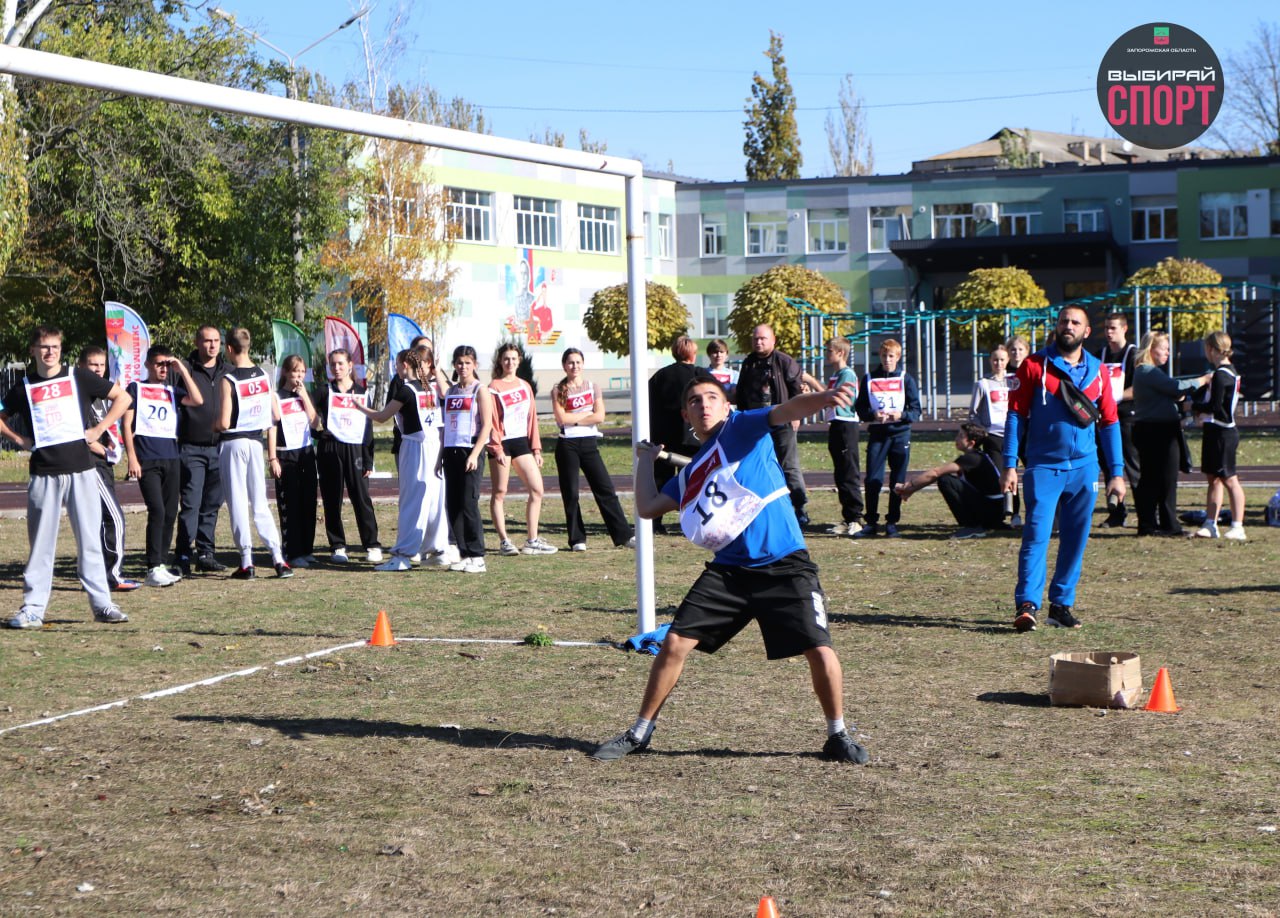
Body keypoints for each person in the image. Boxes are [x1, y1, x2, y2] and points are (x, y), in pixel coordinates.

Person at [590, 376, 868, 765]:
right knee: (673, 644)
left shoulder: (744, 427)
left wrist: (825, 397)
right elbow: (648, 508)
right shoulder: (691, 474)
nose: (703, 405)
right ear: (686, 414)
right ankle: (639, 734)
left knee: (820, 650)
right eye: (694, 401)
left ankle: (837, 735)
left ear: (725, 406)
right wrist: (644, 462)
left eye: (711, 397)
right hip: (730, 573)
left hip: (786, 565)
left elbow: (787, 410)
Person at [1000, 306, 1124, 632]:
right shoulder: (1033, 366)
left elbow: (1110, 423)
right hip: (1043, 467)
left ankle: (1061, 605)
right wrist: (1010, 464)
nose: (1067, 326)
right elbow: (1016, 415)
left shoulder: (1099, 372)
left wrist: (1117, 473)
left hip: (1084, 469)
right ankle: (1027, 605)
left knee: (1075, 540)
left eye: (1075, 323)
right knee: (1036, 536)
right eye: (1063, 321)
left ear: (1086, 332)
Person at [1, 325, 132, 628]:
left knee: (89, 541)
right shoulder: (22, 387)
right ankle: (33, 609)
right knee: (42, 545)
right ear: (33, 350)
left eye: (55, 347)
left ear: (61, 349)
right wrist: (20, 441)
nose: (50, 352)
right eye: (44, 347)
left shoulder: (79, 376)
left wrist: (99, 430)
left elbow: (122, 398)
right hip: (44, 474)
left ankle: (103, 605)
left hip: (82, 471)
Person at [356, 346, 447, 571]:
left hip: (416, 447)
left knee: (412, 500)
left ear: (405, 366)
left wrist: (359, 408)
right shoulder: (432, 387)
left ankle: (404, 554)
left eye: (397, 364)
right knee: (434, 499)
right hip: (435, 445)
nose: (395, 369)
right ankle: (438, 549)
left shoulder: (407, 391)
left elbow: (382, 416)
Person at [121, 345, 204, 587]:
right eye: (159, 364)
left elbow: (197, 399)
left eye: (167, 365)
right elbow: (127, 425)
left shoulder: (172, 390)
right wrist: (132, 458)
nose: (163, 369)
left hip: (171, 457)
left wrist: (183, 370)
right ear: (147, 364)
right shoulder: (136, 388)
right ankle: (151, 567)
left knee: (169, 512)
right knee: (156, 510)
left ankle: (160, 564)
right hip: (147, 459)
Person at [213, 328, 291, 579]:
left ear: (229, 349)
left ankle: (247, 562)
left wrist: (210, 425)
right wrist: (272, 456)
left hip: (234, 442)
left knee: (237, 502)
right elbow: (275, 416)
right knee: (260, 503)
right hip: (256, 444)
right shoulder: (264, 376)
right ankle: (278, 559)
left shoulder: (228, 379)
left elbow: (224, 422)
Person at [552, 347, 634, 551]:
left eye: (578, 362)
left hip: (589, 443)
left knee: (605, 489)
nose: (574, 366)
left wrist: (576, 420)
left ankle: (623, 535)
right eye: (570, 362)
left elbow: (600, 416)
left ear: (583, 364)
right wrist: (585, 415)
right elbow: (561, 419)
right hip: (567, 445)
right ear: (564, 366)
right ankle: (577, 539)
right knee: (571, 493)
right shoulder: (558, 389)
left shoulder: (593, 386)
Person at [1131, 332, 1211, 537]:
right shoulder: (1148, 371)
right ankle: (1167, 524)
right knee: (1164, 479)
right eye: (1164, 348)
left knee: (1152, 479)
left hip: (1151, 429)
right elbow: (1176, 386)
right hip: (1157, 431)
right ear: (1151, 349)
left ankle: (1150, 523)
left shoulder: (1147, 372)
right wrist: (1203, 380)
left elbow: (1171, 391)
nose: (1168, 352)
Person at [77, 346, 138, 592]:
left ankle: (93, 575)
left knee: (97, 522)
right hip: (90, 465)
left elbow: (110, 422)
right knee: (114, 518)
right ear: (82, 367)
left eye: (101, 365)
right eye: (93, 365)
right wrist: (102, 448)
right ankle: (113, 576)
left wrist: (111, 444)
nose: (98, 369)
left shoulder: (103, 395)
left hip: (105, 466)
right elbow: (80, 434)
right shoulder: (79, 394)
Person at [734, 324, 808, 525]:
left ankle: (799, 507)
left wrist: (796, 415)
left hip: (782, 421)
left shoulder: (784, 361)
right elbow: (741, 392)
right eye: (755, 338)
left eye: (763, 338)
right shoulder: (748, 363)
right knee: (755, 465)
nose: (758, 342)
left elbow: (797, 390)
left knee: (788, 465)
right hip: (755, 423)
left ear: (773, 340)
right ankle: (758, 507)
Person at [313, 348, 382, 564]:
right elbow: (307, 411)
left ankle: (371, 545)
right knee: (332, 499)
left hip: (355, 450)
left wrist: (368, 458)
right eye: (333, 364)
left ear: (350, 365)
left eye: (341, 364)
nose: (337, 368)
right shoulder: (324, 391)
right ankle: (338, 546)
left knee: (361, 498)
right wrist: (318, 432)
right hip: (330, 450)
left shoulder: (362, 392)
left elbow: (368, 426)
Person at [488, 343, 556, 555]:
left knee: (537, 489)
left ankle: (532, 540)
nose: (510, 362)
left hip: (521, 443)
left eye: (514, 359)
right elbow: (490, 420)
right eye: (506, 359)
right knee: (500, 492)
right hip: (502, 443)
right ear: (500, 361)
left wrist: (536, 448)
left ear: (519, 361)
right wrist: (496, 448)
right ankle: (504, 542)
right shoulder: (494, 387)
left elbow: (532, 419)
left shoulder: (525, 386)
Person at [175, 325, 229, 576]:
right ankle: (183, 555)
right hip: (191, 448)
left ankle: (206, 553)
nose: (212, 345)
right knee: (191, 505)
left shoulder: (228, 371)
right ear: (197, 342)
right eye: (207, 341)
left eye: (216, 340)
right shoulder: (183, 371)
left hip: (220, 447)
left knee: (211, 504)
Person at [854, 339, 921, 538]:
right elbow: (860, 408)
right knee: (873, 479)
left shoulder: (905, 379)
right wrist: (873, 415)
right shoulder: (869, 378)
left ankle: (892, 522)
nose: (887, 360)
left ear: (898, 357)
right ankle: (871, 522)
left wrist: (901, 415)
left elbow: (916, 410)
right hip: (878, 434)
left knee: (897, 480)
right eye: (884, 356)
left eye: (891, 356)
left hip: (900, 434)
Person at [648, 335, 712, 534]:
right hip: (693, 436)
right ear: (693, 353)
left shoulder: (660, 376)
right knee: (696, 479)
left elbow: (649, 403)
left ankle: (654, 521)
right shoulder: (700, 375)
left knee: (661, 480)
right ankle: (697, 520)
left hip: (664, 436)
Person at [896, 423, 1005, 539]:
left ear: (971, 443)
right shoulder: (977, 456)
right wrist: (911, 490)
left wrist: (908, 485)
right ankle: (979, 525)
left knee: (946, 480)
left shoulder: (971, 458)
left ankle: (972, 527)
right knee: (946, 479)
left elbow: (936, 472)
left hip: (991, 511)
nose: (956, 438)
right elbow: (935, 476)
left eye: (961, 436)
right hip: (994, 511)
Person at [442, 345, 495, 573]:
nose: (463, 367)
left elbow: (487, 425)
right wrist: (439, 458)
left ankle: (477, 555)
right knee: (452, 504)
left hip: (470, 450)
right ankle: (464, 553)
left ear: (474, 365)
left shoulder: (480, 390)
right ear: (454, 365)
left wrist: (475, 453)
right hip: (451, 450)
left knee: (468, 503)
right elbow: (445, 426)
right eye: (459, 363)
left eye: (467, 363)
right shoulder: (452, 392)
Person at [1193, 331, 1247, 541]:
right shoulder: (1227, 372)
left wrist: (1194, 406)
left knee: (1229, 478)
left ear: (1212, 349)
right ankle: (1210, 523)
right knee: (1213, 478)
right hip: (1215, 430)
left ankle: (1237, 525)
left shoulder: (1221, 375)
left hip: (1222, 432)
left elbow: (1214, 406)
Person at [274, 354, 321, 568]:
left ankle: (306, 548)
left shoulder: (305, 394)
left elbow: (316, 423)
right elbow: (272, 428)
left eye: (302, 372)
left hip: (306, 453)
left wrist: (304, 397)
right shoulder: (277, 396)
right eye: (295, 371)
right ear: (285, 372)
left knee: (308, 501)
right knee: (290, 504)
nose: (299, 376)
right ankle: (292, 551)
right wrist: (272, 457)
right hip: (286, 455)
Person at [1097, 313, 1139, 528]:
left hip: (1126, 419)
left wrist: (1117, 397)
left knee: (1133, 467)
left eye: (1113, 327)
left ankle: (1145, 514)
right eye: (1106, 328)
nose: (1108, 332)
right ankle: (1116, 512)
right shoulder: (1100, 355)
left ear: (1124, 329)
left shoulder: (1133, 355)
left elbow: (1139, 386)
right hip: (1104, 420)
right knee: (1108, 467)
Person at [822, 336, 863, 536]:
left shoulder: (847, 374)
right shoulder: (836, 375)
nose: (826, 354)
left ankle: (856, 518)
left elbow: (834, 398)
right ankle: (848, 518)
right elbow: (825, 397)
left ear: (840, 353)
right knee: (840, 473)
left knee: (849, 472)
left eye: (829, 350)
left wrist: (812, 382)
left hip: (846, 426)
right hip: (836, 425)